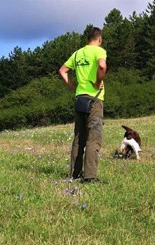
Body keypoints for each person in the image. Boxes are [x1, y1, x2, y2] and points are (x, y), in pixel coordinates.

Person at [59, 27, 107, 183]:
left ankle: (74, 174)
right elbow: (102, 66)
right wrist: (98, 82)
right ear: (99, 39)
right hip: (95, 99)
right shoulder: (99, 51)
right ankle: (90, 176)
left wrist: (71, 85)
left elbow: (62, 70)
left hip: (79, 98)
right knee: (93, 137)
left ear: (88, 39)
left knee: (79, 137)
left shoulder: (78, 53)